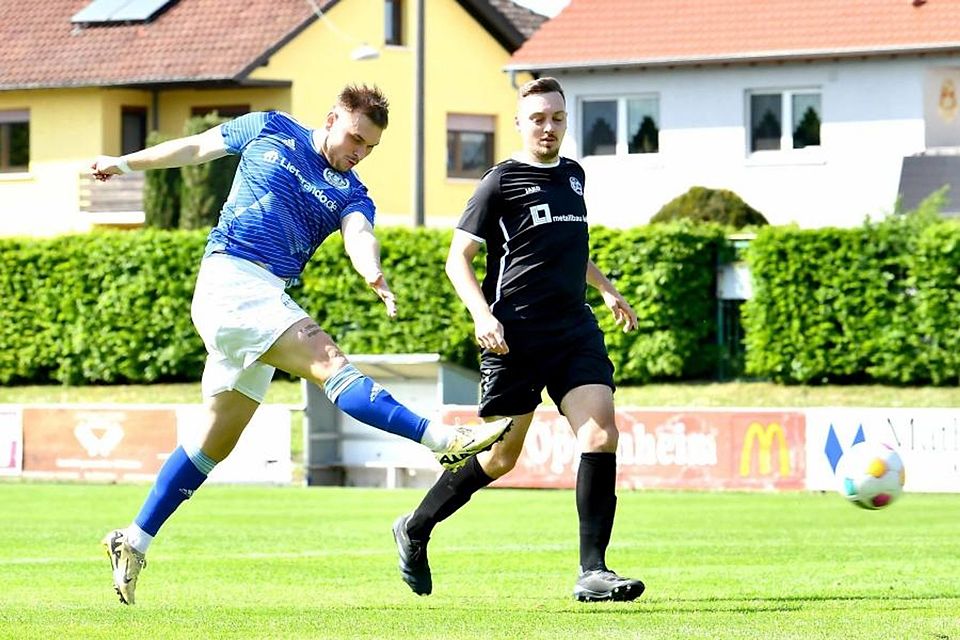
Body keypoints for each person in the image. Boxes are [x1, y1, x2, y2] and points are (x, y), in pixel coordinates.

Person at [91, 84, 511, 605]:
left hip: (260, 300)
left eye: (369, 147)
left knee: (213, 444)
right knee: (329, 361)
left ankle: (134, 539)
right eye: (355, 137)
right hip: (229, 281)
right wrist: (124, 164)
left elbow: (359, 233)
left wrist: (372, 269)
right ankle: (439, 439)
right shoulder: (269, 127)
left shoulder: (352, 192)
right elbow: (197, 147)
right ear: (333, 118)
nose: (358, 152)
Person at [391, 77, 645, 603]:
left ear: (565, 121)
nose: (548, 127)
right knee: (502, 457)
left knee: (601, 433)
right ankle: (415, 527)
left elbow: (568, 247)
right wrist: (482, 316)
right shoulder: (499, 182)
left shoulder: (574, 175)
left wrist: (607, 289)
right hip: (514, 336)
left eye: (556, 118)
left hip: (573, 330)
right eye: (538, 119)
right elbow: (455, 258)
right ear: (519, 124)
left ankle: (593, 571)